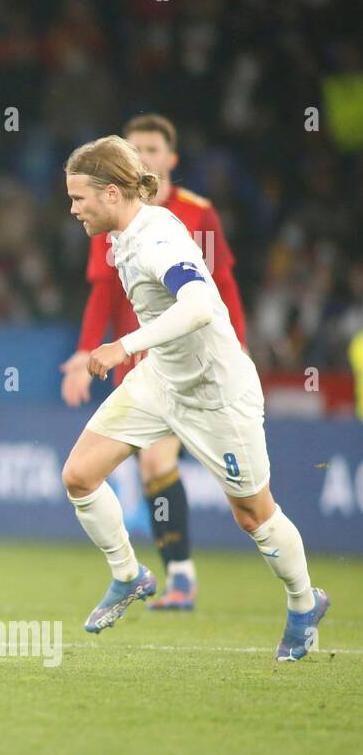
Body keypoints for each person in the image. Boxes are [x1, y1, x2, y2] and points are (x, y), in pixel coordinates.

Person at [61, 135, 328, 660]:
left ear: (111, 193)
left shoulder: (155, 239)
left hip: (216, 392)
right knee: (79, 475)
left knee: (253, 514)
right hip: (162, 379)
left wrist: (123, 345)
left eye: (78, 198)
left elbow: (202, 304)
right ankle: (129, 574)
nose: (72, 210)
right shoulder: (126, 233)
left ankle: (303, 602)